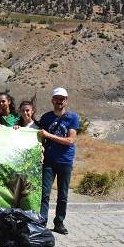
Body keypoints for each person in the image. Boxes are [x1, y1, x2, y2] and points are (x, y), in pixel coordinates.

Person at [38, 87, 80, 235]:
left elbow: (70, 140)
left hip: (65, 161)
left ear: (66, 101)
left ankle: (59, 222)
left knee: (63, 194)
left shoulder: (72, 118)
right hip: (49, 161)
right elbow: (40, 138)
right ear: (52, 100)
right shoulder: (45, 118)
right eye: (57, 98)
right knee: (45, 193)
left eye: (62, 99)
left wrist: (49, 135)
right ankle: (42, 221)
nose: (59, 101)